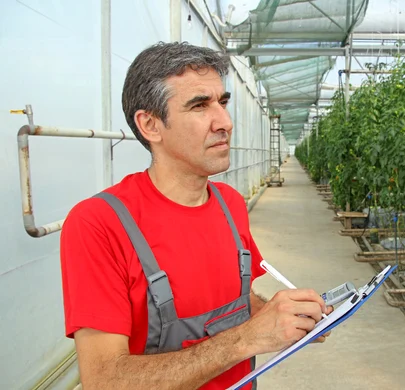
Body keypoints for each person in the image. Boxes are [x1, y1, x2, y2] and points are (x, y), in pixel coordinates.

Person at [59, 42, 332, 390]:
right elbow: (105, 380)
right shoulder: (99, 224)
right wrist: (247, 338)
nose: (225, 122)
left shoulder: (229, 205)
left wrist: (283, 316)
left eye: (223, 102)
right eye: (200, 106)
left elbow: (235, 300)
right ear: (151, 125)